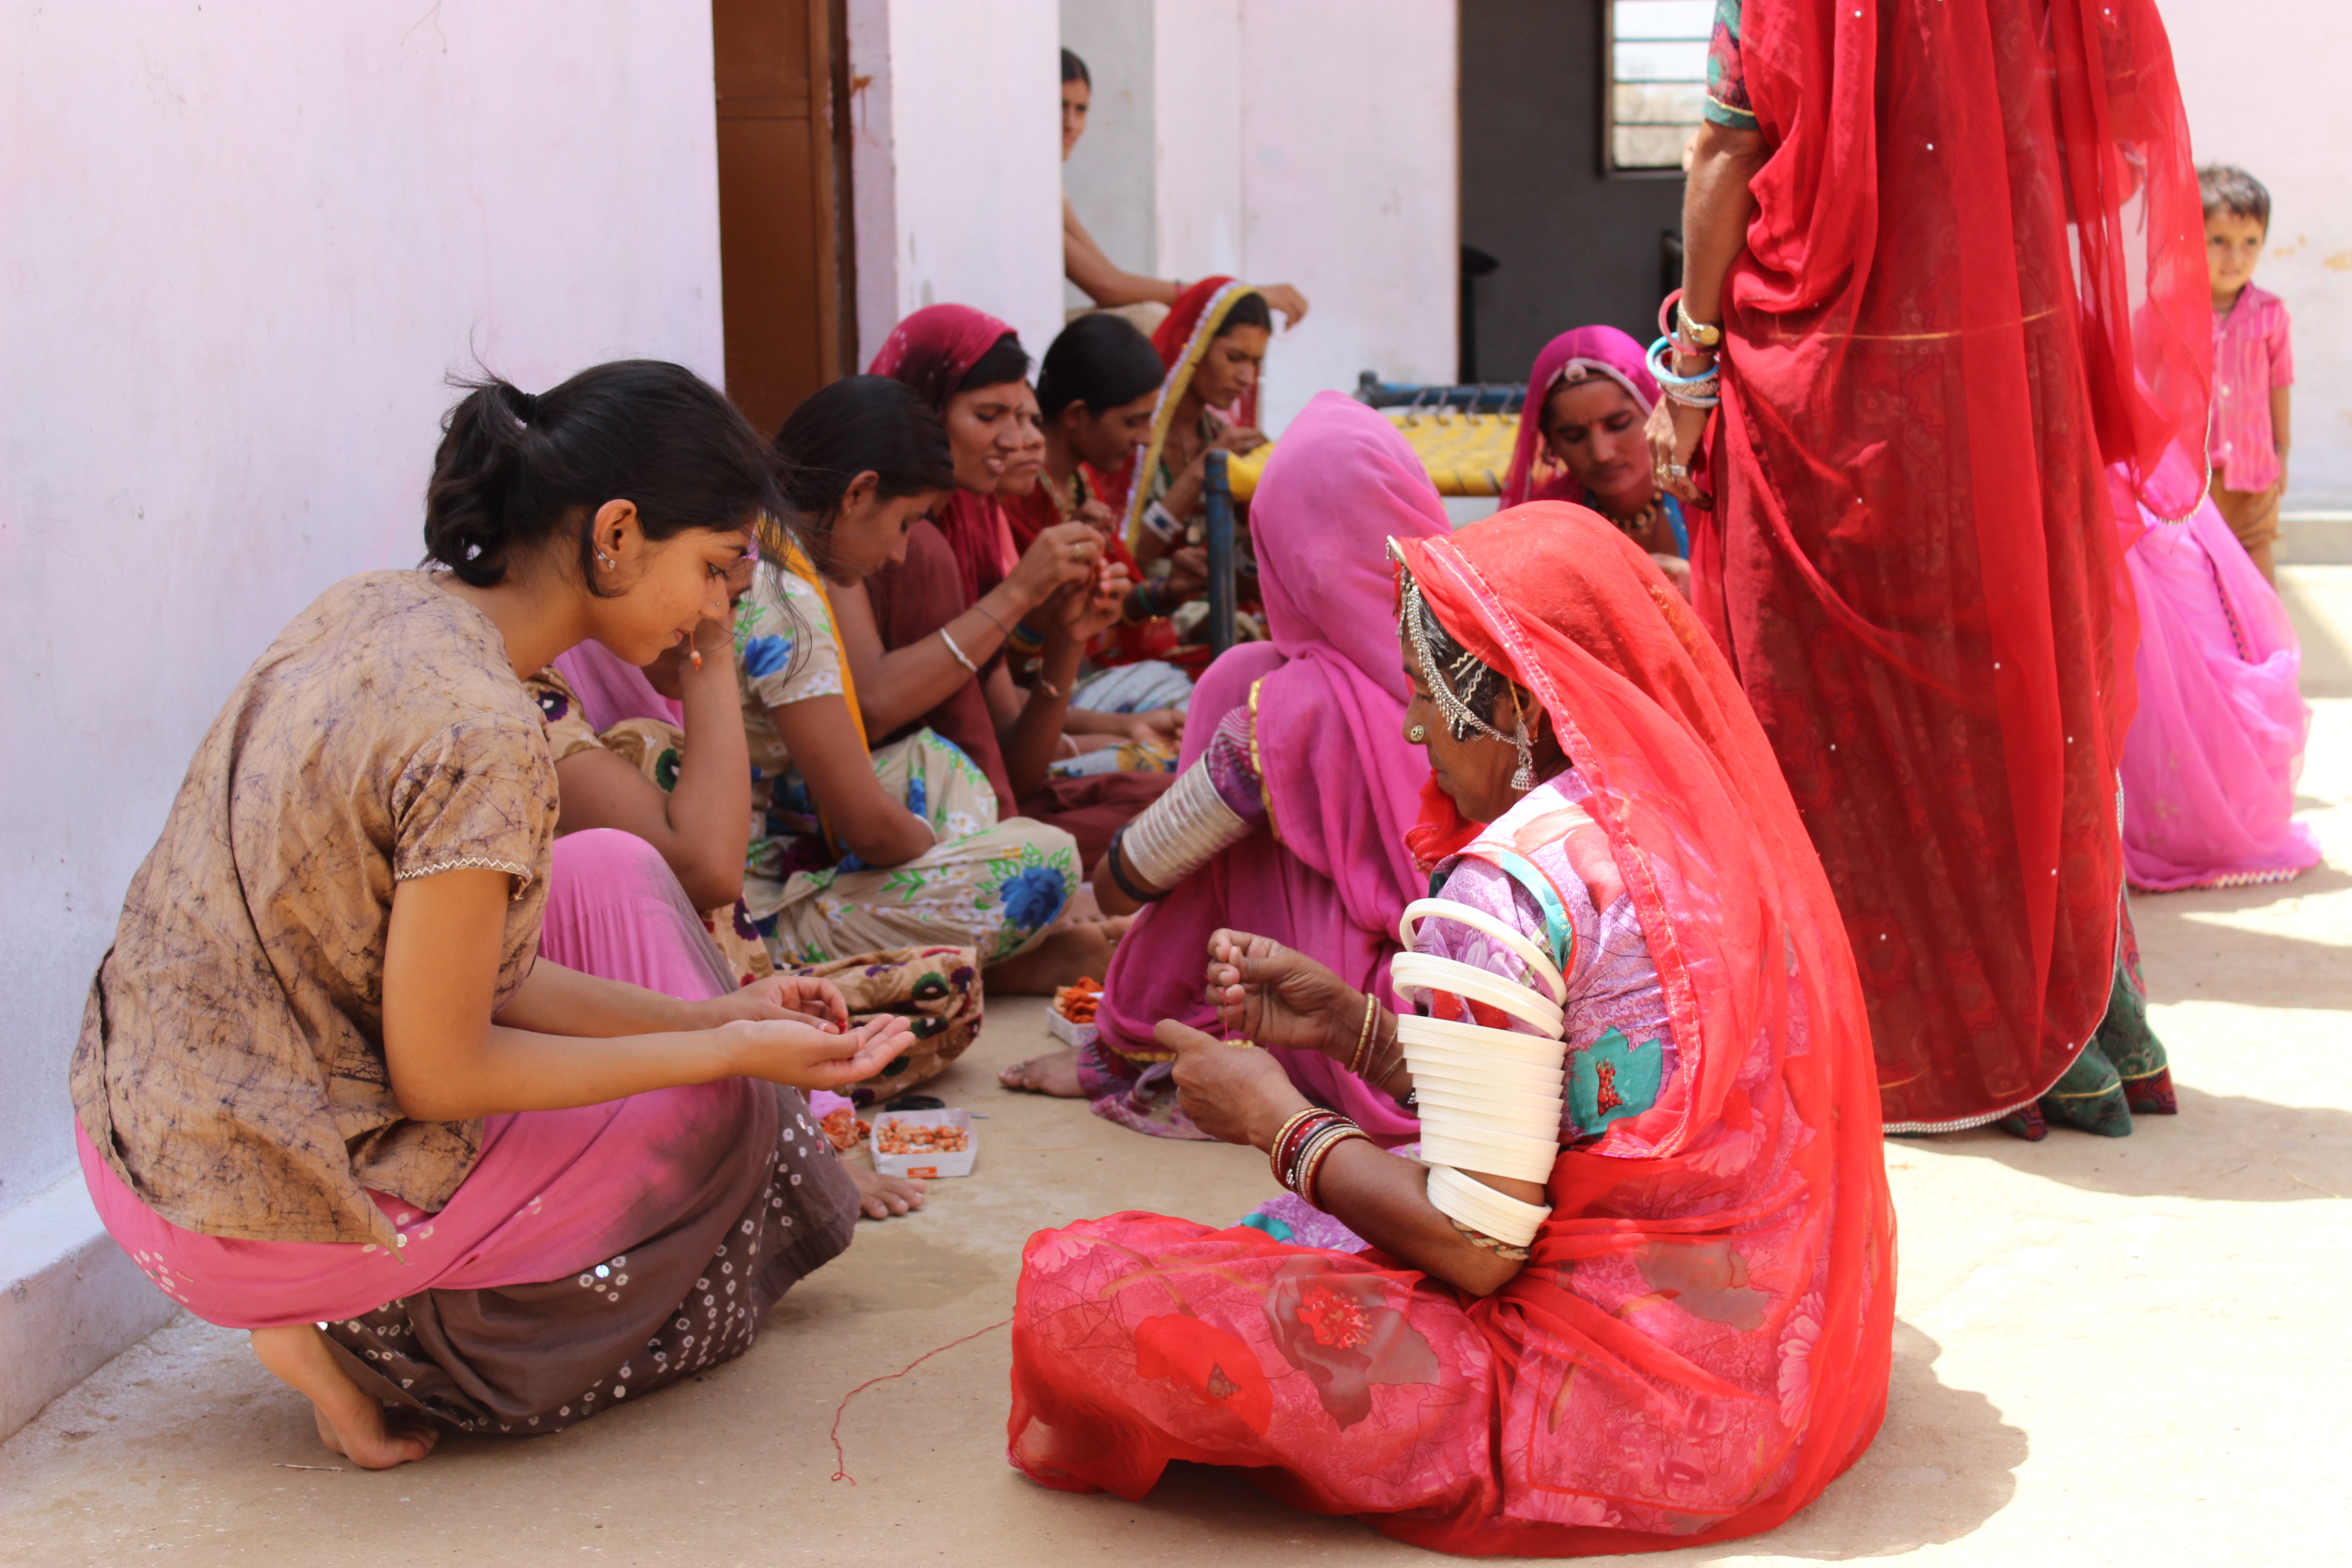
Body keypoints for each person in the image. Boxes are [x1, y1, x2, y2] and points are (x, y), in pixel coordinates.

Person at [69, 361, 917, 1467]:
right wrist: (725, 1059)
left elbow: (477, 974)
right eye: (715, 569)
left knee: (612, 871)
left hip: (130, 1136)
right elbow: (444, 1070)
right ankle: (398, 1339)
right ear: (614, 534)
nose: (717, 608)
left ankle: (323, 1312)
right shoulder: (488, 730)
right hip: (245, 1208)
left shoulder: (379, 603)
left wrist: (724, 1019)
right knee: (715, 1128)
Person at [1007, 506, 1894, 1553]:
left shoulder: (1506, 889)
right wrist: (1362, 1036)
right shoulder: (1701, 824)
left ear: (1516, 705)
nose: (1417, 733)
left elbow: (1478, 1250)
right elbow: (1607, 1093)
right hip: (1781, 1359)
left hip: (1605, 1417)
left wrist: (1275, 1118)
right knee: (1316, 1227)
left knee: (1084, 1288)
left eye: (1429, 699)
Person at [1653, 0, 2210, 1136]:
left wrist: (1691, 360)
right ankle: (2075, 1033)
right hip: (2005, 363)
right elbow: (2109, 155)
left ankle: (1895, 1047)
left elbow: (1725, 144)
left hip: (1835, 382)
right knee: (2021, 682)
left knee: (1827, 714)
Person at [998, 393, 1448, 1140]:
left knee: (1223, 812)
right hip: (1493, 1023)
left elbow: (1137, 879)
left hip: (1365, 1037)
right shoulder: (1493, 661)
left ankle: (1138, 1033)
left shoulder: (1280, 699)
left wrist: (1118, 1039)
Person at [736, 374, 1118, 993]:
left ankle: (951, 943)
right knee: (1045, 861)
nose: (899, 554)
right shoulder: (790, 604)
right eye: (907, 522)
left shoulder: (764, 550)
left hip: (783, 832)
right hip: (758, 912)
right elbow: (870, 830)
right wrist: (938, 856)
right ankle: (977, 956)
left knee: (933, 762)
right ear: (859, 493)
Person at [859, 306, 1177, 865]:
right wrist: (1021, 595)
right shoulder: (874, 533)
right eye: (989, 416)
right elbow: (877, 710)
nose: (1016, 440)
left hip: (989, 793)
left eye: (1024, 417)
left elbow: (1006, 750)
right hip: (894, 814)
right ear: (924, 413)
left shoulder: (975, 517)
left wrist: (1070, 639)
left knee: (1183, 809)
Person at [2120, 446, 2321, 892]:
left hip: (2159, 521)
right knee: (2181, 695)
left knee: (2190, 691)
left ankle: (2195, 827)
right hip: (2157, 517)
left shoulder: (2154, 486)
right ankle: (2193, 821)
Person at [1059, 48, 1307, 331]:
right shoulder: (1031, 190)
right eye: (1060, 106)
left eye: (1081, 110)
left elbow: (1109, 277)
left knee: (1162, 314)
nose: (1071, 123)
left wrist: (1219, 298)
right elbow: (1105, 287)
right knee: (1153, 319)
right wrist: (1234, 296)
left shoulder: (1051, 185)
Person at [1501, 325, 1690, 593]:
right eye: (1573, 436)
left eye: (1619, 424)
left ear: (1655, 411)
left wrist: (1706, 592)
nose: (1602, 453)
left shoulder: (1705, 501)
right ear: (1550, 444)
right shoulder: (1545, 526)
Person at [1121, 278, 1273, 572]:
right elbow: (1127, 561)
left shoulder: (1225, 439)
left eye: (1255, 363)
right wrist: (1199, 474)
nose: (1247, 378)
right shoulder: (1134, 435)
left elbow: (1244, 571)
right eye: (1234, 358)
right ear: (1192, 345)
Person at [2202, 164, 2294, 585]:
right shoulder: (2176, 313)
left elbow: (2279, 386)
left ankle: (2268, 650)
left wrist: (2282, 452)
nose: (2235, 257)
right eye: (2218, 241)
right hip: (2197, 475)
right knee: (2203, 571)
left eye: (2250, 242)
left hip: (2254, 471)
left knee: (2258, 566)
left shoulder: (2271, 314)